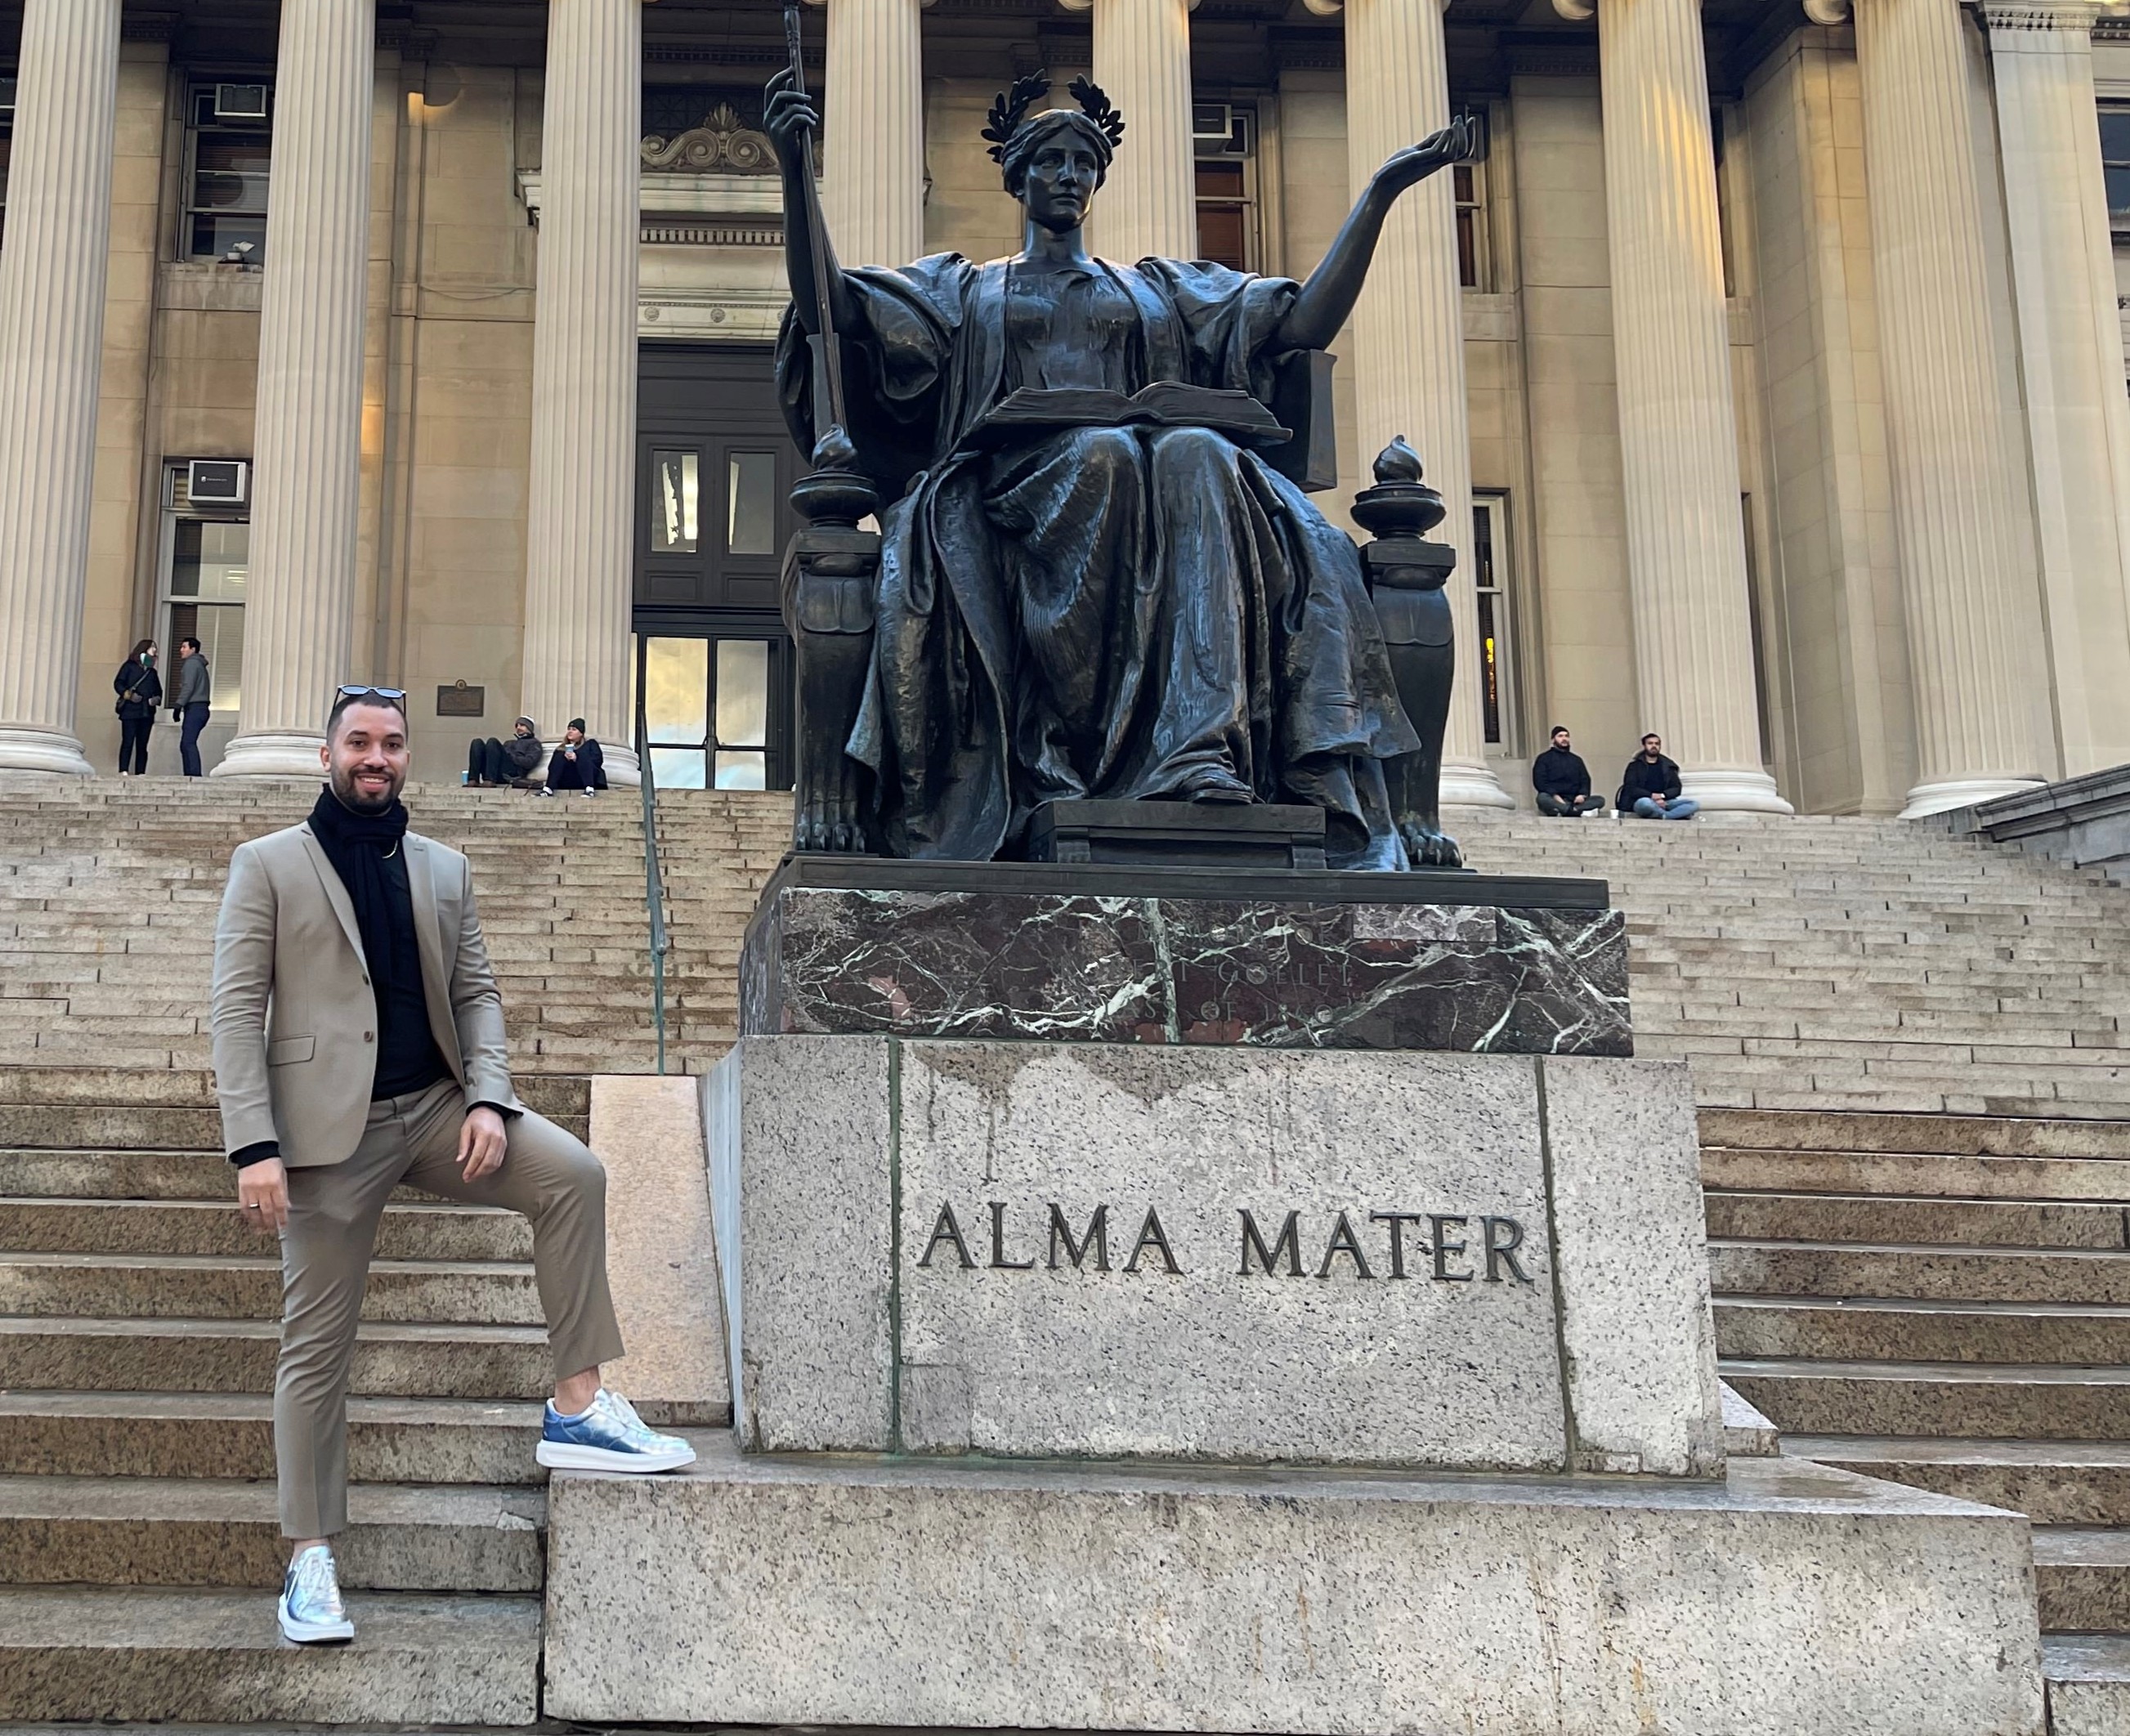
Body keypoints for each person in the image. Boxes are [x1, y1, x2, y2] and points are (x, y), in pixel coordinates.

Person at [765, 71, 1476, 870]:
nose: (1069, 177)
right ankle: (1073, 750)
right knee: (1101, 455)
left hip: (1146, 476)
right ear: (1017, 176)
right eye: (1052, 161)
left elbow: (1303, 320)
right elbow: (831, 304)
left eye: (1083, 164)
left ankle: (1198, 748)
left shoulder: (1157, 292)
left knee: (1200, 452)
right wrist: (795, 170)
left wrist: (1379, 194)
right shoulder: (962, 289)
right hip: (1006, 485)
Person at [213, 686, 693, 1648]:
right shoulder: (266, 865)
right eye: (359, 742)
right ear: (326, 754)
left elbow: (476, 994)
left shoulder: (442, 867)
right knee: (314, 1348)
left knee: (574, 1175)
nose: (375, 757)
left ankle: (578, 1405)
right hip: (321, 1140)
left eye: (390, 743)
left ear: (405, 756)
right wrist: (254, 1145)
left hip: (435, 1110)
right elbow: (234, 1013)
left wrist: (488, 1095)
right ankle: (310, 1557)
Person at [1618, 732, 1699, 820]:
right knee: (1645, 804)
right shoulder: (1635, 766)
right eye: (1650, 743)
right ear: (1644, 746)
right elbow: (1631, 788)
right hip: (1642, 800)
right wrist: (1652, 796)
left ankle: (1665, 816)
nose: (1654, 746)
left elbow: (1676, 788)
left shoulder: (1668, 766)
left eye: (1657, 744)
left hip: (1665, 801)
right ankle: (1672, 815)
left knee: (1694, 804)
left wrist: (1662, 796)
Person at [113, 640, 162, 776]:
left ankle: (141, 771)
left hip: (147, 712)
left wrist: (156, 699)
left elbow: (159, 690)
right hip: (130, 711)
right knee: (128, 741)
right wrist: (128, 695)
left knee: (142, 744)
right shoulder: (129, 666)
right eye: (152, 647)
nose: (154, 650)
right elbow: (118, 683)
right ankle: (123, 770)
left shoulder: (152, 672)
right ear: (144, 649)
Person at [1531, 725, 1603, 817]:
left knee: (1600, 800)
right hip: (1554, 799)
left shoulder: (1576, 760)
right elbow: (1540, 782)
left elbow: (1585, 780)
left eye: (1566, 736)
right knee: (1542, 798)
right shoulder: (1544, 759)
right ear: (1553, 740)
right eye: (1560, 736)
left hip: (1574, 801)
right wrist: (1556, 797)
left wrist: (1582, 795)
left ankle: (1568, 810)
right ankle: (1571, 811)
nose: (1564, 739)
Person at [171, 636, 212, 777]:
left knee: (187, 743)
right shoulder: (199, 664)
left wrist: (178, 705)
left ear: (193, 649)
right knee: (188, 742)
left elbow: (188, 686)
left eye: (184, 647)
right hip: (200, 708)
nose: (181, 650)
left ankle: (193, 774)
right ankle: (191, 773)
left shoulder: (191, 664)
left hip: (195, 707)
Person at [468, 716, 544, 787]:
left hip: (512, 774)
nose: (518, 728)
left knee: (492, 741)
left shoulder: (534, 743)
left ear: (529, 728)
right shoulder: (509, 743)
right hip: (496, 771)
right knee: (477, 742)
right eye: (517, 725)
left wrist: (511, 756)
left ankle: (490, 779)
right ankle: (473, 779)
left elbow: (529, 762)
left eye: (522, 725)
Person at [540, 719, 606, 797]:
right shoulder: (561, 748)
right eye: (569, 729)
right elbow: (552, 767)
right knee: (559, 756)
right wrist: (566, 759)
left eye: (574, 729)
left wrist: (576, 758)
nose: (570, 731)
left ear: (581, 733)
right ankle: (548, 788)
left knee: (582, 755)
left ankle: (589, 789)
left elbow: (597, 761)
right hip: (568, 779)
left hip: (586, 778)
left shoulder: (590, 744)